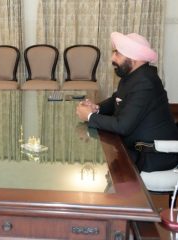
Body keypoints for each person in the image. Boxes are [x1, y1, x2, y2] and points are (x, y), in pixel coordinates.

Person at [76, 32, 178, 172]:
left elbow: (123, 126)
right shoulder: (133, 75)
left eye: (117, 53)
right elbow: (116, 99)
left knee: (99, 161)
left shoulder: (145, 82)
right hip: (135, 147)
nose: (112, 58)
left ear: (134, 58)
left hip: (151, 154)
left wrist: (89, 117)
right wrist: (97, 108)